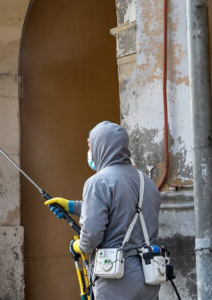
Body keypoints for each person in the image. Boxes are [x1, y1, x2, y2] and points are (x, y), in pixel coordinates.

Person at [48, 121, 161, 300]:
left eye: (89, 146)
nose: (89, 152)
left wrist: (77, 246)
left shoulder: (98, 182)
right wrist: (71, 206)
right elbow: (121, 210)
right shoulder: (146, 182)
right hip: (150, 277)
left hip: (115, 279)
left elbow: (91, 237)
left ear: (102, 146)